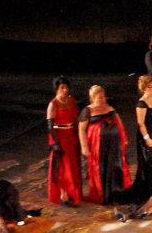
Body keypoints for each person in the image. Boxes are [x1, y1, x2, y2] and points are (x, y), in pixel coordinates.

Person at [77, 85, 134, 205]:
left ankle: (116, 194)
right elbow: (81, 129)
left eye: (103, 97)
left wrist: (123, 138)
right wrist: (84, 147)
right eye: (99, 97)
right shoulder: (87, 110)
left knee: (115, 167)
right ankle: (104, 195)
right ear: (92, 98)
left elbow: (119, 122)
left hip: (113, 144)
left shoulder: (109, 108)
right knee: (101, 167)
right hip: (98, 146)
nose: (102, 99)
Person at [44, 78, 83, 207]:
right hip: (60, 137)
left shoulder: (71, 100)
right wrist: (55, 143)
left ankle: (73, 193)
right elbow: (50, 126)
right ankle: (63, 196)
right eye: (62, 88)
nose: (65, 90)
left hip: (72, 136)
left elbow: (76, 118)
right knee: (63, 168)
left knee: (73, 165)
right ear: (56, 89)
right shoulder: (53, 104)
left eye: (66, 87)